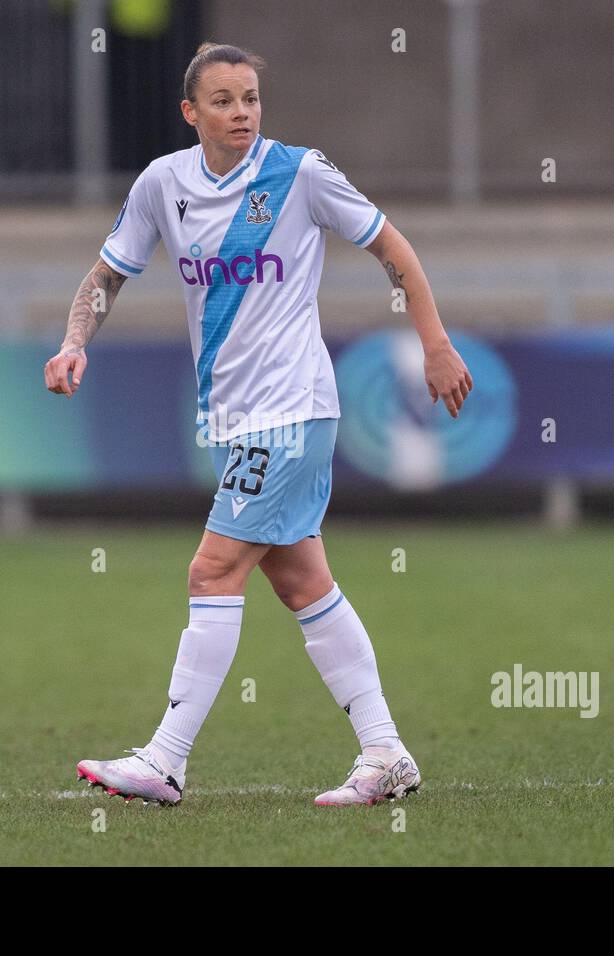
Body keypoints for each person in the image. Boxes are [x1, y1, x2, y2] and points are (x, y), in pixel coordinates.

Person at [44, 41, 472, 806]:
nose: (241, 112)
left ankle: (166, 759)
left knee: (210, 571)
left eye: (250, 98)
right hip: (234, 420)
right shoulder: (162, 184)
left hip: (294, 411)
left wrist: (435, 344)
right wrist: (75, 342)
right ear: (191, 113)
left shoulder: (299, 172)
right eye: (224, 101)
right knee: (304, 583)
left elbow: (392, 248)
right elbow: (107, 273)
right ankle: (386, 753)